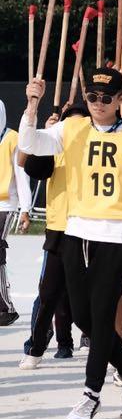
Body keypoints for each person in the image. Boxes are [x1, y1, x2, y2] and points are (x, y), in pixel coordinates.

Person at [19, 68, 122, 419]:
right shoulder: (73, 128)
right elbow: (29, 145)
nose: (98, 104)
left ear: (121, 99)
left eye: (106, 97)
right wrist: (31, 107)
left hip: (117, 234)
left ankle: (90, 394)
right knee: (82, 316)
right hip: (76, 230)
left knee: (100, 315)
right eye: (92, 98)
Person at [18, 105, 87, 368]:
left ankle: (92, 340)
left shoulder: (94, 152)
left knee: (91, 292)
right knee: (48, 293)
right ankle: (35, 347)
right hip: (59, 228)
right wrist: (45, 132)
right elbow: (33, 168)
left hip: (89, 227)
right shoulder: (53, 148)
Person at [0, 100, 33, 326]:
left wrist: (25, 208)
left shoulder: (12, 139)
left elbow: (22, 176)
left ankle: (5, 306)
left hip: (5, 205)